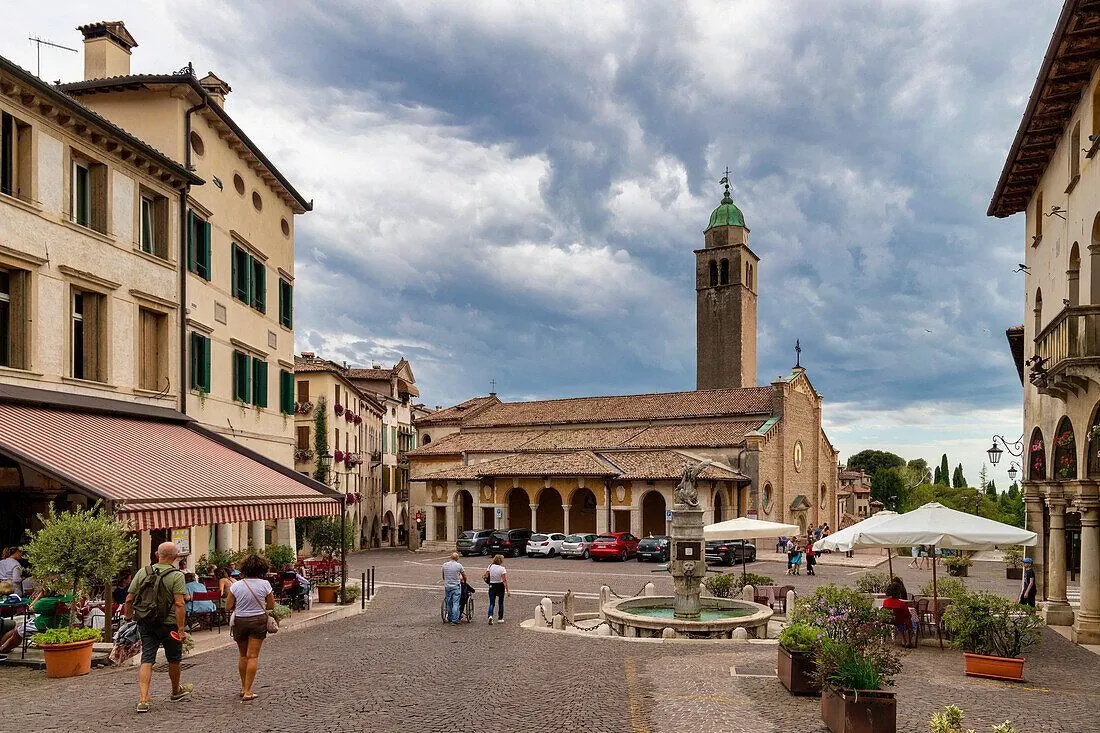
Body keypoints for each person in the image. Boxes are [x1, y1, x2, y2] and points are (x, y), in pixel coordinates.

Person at [124, 541, 192, 713]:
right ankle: (175, 690)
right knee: (174, 658)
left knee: (147, 658)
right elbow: (179, 603)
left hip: (146, 621)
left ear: (157, 554)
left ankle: (143, 699)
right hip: (170, 624)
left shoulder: (143, 572)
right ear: (175, 557)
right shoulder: (177, 576)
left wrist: (128, 618)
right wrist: (181, 629)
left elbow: (129, 599)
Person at [226, 554, 275, 702]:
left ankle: (243, 687)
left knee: (243, 655)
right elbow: (271, 605)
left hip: (240, 620)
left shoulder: (236, 586)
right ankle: (248, 691)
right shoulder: (265, 585)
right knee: (252, 656)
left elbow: (228, 606)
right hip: (258, 620)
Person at [883, 578, 915, 647]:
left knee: (901, 621)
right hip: (900, 621)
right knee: (912, 622)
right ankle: (908, 639)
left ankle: (904, 639)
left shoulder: (885, 602)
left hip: (888, 621)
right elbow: (907, 614)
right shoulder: (901, 603)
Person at [441, 552, 467, 624]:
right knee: (455, 603)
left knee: (449, 602)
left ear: (450, 557)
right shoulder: (459, 565)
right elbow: (464, 575)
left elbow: (443, 576)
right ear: (457, 558)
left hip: (447, 586)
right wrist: (465, 581)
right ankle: (455, 619)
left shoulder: (444, 565)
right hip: (456, 586)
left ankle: (449, 617)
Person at [485, 554, 509, 625]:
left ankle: (490, 616)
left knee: (492, 603)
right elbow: (504, 580)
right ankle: (500, 618)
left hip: (492, 585)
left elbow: (487, 575)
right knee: (500, 603)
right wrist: (507, 590)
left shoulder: (490, 566)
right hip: (500, 585)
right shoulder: (502, 569)